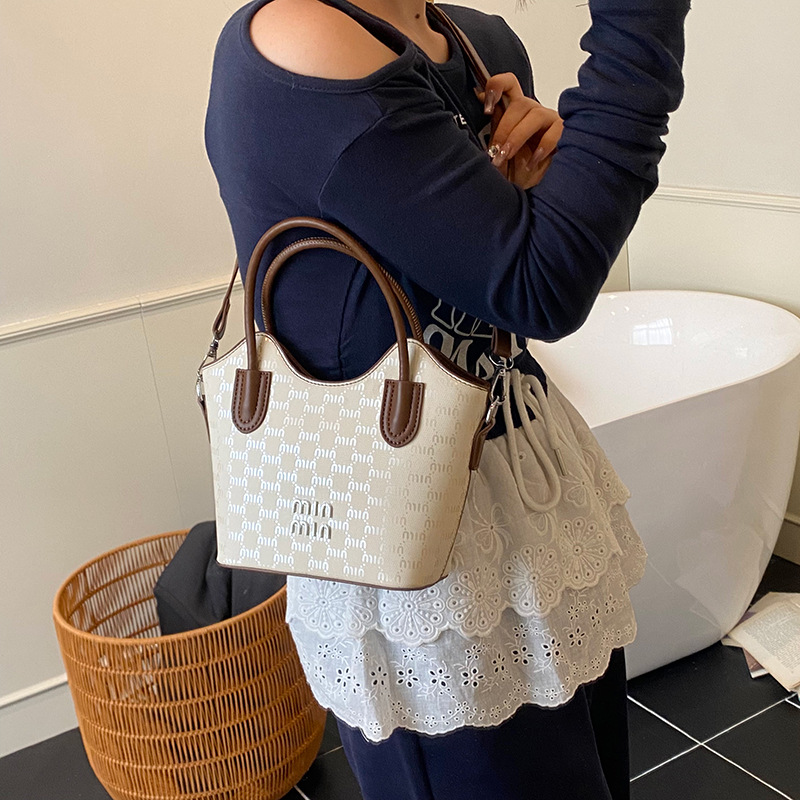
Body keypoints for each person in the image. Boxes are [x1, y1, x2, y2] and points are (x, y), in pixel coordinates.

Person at [204, 0, 690, 796]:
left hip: (528, 500)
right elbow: (542, 285)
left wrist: (538, 187)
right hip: (418, 557)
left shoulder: (478, 41)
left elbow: (505, 280)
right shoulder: (300, 36)